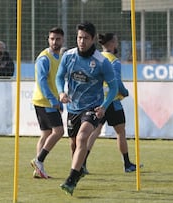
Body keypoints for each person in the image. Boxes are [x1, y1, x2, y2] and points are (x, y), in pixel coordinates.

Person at [56, 21, 118, 196]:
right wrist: (61, 93)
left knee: (83, 137)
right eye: (79, 37)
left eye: (85, 38)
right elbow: (59, 77)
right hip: (73, 108)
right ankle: (79, 169)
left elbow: (113, 88)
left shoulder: (102, 62)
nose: (81, 41)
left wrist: (104, 107)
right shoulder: (68, 56)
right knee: (74, 143)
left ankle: (71, 180)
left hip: (93, 107)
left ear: (92, 40)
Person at [82, 33, 136, 174]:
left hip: (97, 100)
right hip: (112, 101)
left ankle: (82, 162)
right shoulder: (114, 61)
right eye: (116, 41)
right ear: (112, 43)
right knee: (120, 132)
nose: (117, 44)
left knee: (94, 132)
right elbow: (116, 82)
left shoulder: (97, 57)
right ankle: (127, 164)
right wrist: (125, 92)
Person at [30, 27, 65, 179]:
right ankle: (39, 160)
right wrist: (52, 100)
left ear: (62, 40)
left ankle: (39, 170)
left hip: (45, 101)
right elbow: (42, 81)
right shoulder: (44, 58)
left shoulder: (58, 57)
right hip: (45, 102)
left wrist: (59, 99)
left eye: (57, 39)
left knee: (45, 134)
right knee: (59, 132)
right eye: (52, 39)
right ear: (48, 40)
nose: (54, 42)